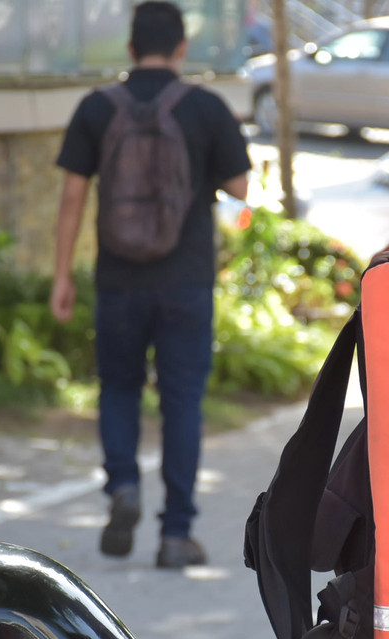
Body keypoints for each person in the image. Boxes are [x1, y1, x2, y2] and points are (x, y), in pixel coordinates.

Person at [50, 1, 250, 569]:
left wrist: (62, 275)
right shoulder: (206, 107)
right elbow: (239, 188)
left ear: (131, 48)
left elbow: (72, 197)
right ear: (182, 48)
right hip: (186, 281)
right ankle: (176, 534)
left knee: (119, 388)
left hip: (118, 280)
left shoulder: (96, 107)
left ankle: (123, 486)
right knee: (182, 401)